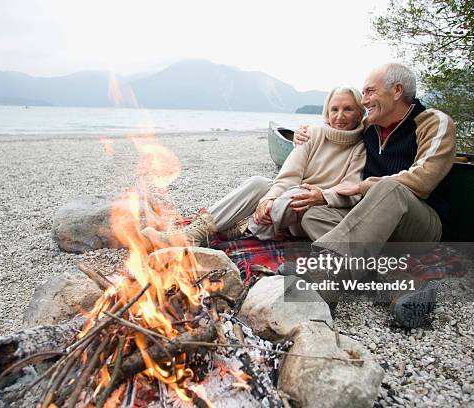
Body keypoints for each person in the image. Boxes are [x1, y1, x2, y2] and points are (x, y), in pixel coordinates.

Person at [292, 63, 456, 328]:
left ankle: (328, 271)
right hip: (374, 227)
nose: (364, 99)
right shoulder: (368, 124)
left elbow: (423, 180)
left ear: (397, 91)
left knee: (389, 188)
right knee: (314, 215)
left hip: (419, 224)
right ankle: (398, 282)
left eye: (369, 92)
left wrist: (362, 186)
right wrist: (306, 133)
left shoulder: (434, 122)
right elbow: (336, 130)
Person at [142, 86, 367, 247]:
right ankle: (195, 232)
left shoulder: (361, 147)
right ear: (327, 112)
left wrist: (323, 195)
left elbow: (351, 189)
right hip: (282, 206)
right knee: (260, 183)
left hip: (314, 209)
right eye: (334, 109)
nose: (340, 116)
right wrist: (266, 200)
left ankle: (245, 229)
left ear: (360, 113)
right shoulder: (311, 135)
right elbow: (288, 176)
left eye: (347, 109)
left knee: (297, 194)